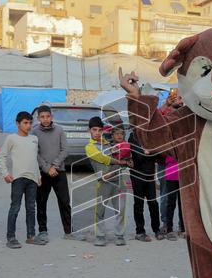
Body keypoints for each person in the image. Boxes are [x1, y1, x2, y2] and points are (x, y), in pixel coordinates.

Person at [84, 116, 131, 246]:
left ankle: (120, 235)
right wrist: (120, 161)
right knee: (100, 211)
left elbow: (123, 154)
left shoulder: (108, 143)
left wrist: (126, 159)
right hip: (103, 182)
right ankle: (100, 236)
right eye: (94, 130)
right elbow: (103, 158)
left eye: (100, 130)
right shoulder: (89, 147)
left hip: (118, 180)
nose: (97, 133)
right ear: (89, 131)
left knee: (120, 209)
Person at [0, 111, 42, 249]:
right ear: (18, 123)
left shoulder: (34, 139)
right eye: (25, 123)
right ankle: (11, 237)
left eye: (30, 123)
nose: (28, 126)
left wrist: (39, 176)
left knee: (31, 208)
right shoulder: (12, 138)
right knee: (15, 208)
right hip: (18, 179)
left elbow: (35, 159)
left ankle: (31, 236)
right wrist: (5, 173)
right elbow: (2, 156)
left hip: (32, 179)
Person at [30, 105, 73, 241]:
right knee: (41, 202)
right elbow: (35, 153)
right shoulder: (34, 132)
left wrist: (54, 165)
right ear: (38, 118)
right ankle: (43, 231)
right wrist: (47, 168)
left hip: (59, 172)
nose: (45, 119)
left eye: (47, 116)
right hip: (43, 173)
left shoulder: (59, 130)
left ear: (51, 117)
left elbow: (65, 149)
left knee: (65, 201)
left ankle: (68, 231)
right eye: (42, 117)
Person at [128, 128, 162, 241]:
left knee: (153, 203)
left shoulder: (151, 137)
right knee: (138, 204)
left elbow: (158, 153)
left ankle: (157, 229)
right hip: (137, 176)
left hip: (150, 176)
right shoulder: (132, 137)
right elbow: (138, 156)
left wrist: (149, 152)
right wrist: (147, 152)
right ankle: (140, 232)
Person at [160, 154, 184, 239]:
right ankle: (169, 229)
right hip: (171, 173)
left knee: (182, 203)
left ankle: (183, 229)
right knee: (171, 202)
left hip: (183, 172)